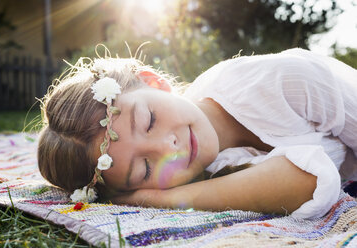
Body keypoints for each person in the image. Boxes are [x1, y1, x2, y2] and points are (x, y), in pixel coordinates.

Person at [38, 47, 357, 219]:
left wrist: (155, 194)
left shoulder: (279, 82)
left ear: (153, 82)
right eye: (145, 168)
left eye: (149, 120)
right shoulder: (206, 172)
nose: (168, 148)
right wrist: (163, 198)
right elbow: (309, 181)